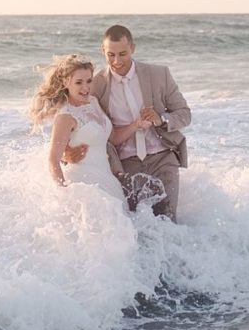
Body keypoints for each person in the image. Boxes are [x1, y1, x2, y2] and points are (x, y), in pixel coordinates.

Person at [65, 26, 191, 222]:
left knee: (168, 222)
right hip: (125, 165)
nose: (117, 61)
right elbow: (74, 116)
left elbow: (184, 114)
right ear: (102, 51)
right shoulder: (96, 84)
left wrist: (160, 119)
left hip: (162, 158)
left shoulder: (159, 74)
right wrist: (66, 150)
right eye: (111, 55)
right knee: (136, 227)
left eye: (122, 54)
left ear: (133, 48)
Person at [29, 54, 151, 200]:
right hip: (83, 184)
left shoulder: (93, 102)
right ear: (66, 82)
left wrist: (136, 125)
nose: (85, 88)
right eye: (79, 82)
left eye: (89, 81)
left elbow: (112, 138)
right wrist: (64, 193)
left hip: (107, 181)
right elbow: (53, 160)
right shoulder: (65, 116)